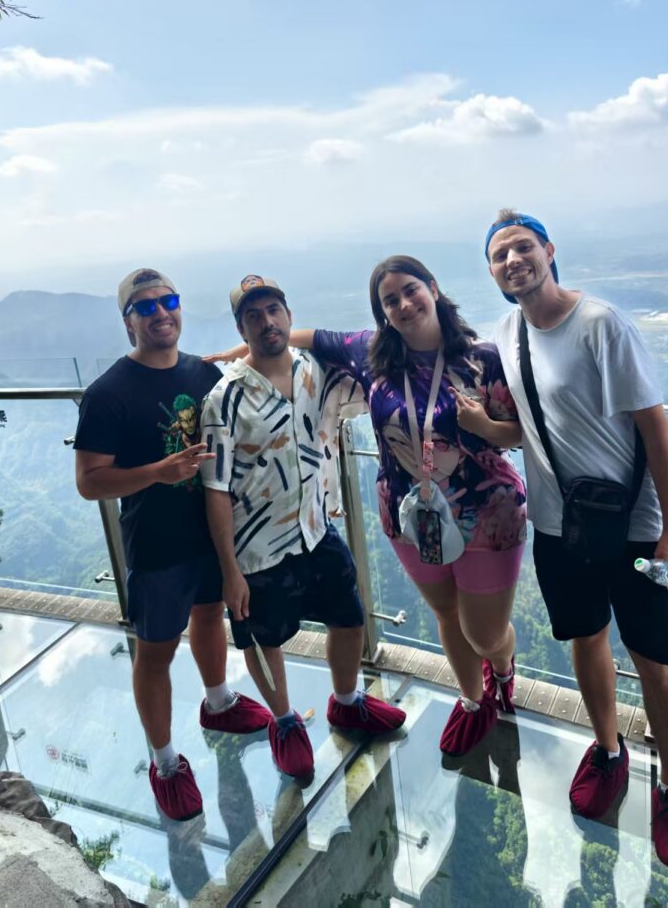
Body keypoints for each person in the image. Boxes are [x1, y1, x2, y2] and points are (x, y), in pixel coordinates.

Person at [209, 258, 527, 757]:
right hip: (408, 513)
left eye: (410, 291)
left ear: (434, 288)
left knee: (484, 634)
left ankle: (501, 667)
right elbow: (314, 336)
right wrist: (250, 350)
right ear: (380, 313)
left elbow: (522, 430)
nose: (403, 304)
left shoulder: (481, 358)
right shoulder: (371, 353)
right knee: (447, 615)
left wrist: (486, 428)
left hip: (487, 512)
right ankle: (472, 700)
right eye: (389, 300)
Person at [484, 210, 668, 869]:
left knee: (656, 659)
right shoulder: (506, 331)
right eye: (499, 255)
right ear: (491, 272)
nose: (513, 260)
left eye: (523, 247)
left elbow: (655, 429)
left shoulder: (602, 323)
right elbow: (530, 428)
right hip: (559, 529)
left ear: (550, 250)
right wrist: (478, 423)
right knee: (586, 639)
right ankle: (608, 749)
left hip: (637, 533)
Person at [74, 268, 271, 823]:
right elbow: (89, 481)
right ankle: (164, 762)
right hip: (156, 544)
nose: (161, 313)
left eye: (169, 301)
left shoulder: (201, 372)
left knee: (209, 617)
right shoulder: (108, 393)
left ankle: (219, 704)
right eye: (146, 306)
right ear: (128, 321)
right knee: (155, 651)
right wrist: (156, 472)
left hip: (212, 532)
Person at [200, 274, 406, 779]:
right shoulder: (223, 398)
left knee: (350, 618)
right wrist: (229, 572)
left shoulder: (316, 371)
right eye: (253, 315)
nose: (266, 321)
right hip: (257, 550)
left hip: (316, 528)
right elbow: (216, 489)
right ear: (241, 327)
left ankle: (346, 700)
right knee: (263, 639)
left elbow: (376, 365)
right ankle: (285, 722)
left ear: (289, 317)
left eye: (274, 310)